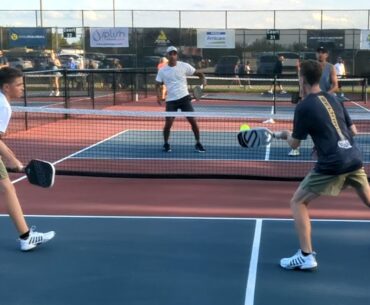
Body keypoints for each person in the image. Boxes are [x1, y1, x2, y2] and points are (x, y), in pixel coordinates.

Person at [276, 60, 370, 270]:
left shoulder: (303, 107)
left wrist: (282, 134)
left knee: (297, 202)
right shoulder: (335, 98)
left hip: (333, 162)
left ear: (302, 80)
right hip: (354, 157)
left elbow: (294, 143)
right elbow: (353, 132)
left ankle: (306, 255)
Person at [0, 67, 56, 251]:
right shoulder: (3, 106)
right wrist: (13, 161)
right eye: (19, 84)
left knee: (7, 188)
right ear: (7, 87)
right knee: (7, 188)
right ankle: (26, 237)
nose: (22, 88)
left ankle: (26, 236)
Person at [288, 46, 339, 157]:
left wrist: (325, 95)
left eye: (323, 52)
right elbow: (302, 84)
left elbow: (335, 86)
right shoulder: (311, 67)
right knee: (299, 125)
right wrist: (302, 98)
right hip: (309, 101)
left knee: (324, 126)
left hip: (324, 103)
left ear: (327, 55)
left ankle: (323, 148)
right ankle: (296, 148)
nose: (320, 54)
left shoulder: (330, 67)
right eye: (318, 52)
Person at [155, 46, 207, 153]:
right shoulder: (162, 70)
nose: (173, 55)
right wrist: (158, 96)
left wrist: (203, 83)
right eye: (171, 54)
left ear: (177, 55)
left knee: (193, 121)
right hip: (171, 101)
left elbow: (200, 75)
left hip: (184, 99)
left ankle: (198, 142)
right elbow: (157, 84)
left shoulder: (184, 66)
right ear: (167, 56)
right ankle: (166, 143)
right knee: (168, 123)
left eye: (174, 53)